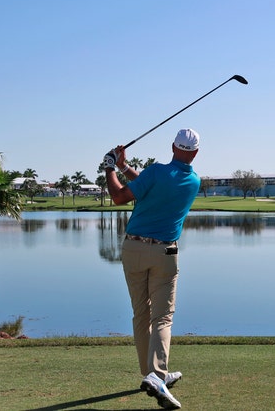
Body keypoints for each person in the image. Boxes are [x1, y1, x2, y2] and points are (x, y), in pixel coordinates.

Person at [104, 128, 201, 410]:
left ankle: (151, 373)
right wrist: (123, 167)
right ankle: (157, 375)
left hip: (133, 249)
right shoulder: (193, 181)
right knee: (162, 317)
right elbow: (146, 186)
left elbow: (120, 196)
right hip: (164, 253)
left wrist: (110, 167)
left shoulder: (156, 172)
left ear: (173, 147)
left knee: (141, 313)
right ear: (195, 153)